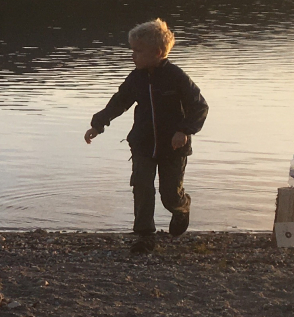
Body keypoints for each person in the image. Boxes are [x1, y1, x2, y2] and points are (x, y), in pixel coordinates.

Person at [84, 18, 209, 250]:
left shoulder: (176, 77)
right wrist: (98, 124)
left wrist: (184, 130)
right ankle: (144, 233)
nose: (133, 56)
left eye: (138, 51)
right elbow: (119, 102)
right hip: (142, 144)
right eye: (132, 51)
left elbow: (200, 106)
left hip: (173, 147)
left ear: (158, 52)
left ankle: (181, 208)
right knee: (142, 186)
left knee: (169, 194)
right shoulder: (136, 77)